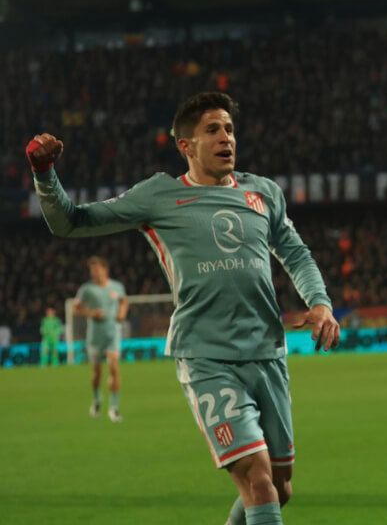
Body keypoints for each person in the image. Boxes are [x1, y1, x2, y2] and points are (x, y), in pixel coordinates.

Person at [26, 91, 340, 525]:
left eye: (229, 128)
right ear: (186, 146)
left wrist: (320, 303)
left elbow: (297, 253)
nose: (226, 137)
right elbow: (70, 221)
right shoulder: (160, 195)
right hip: (207, 356)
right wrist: (45, 173)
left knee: (279, 488)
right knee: (257, 480)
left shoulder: (262, 193)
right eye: (212, 129)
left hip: (268, 353)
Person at [73, 257, 127, 420]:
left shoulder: (116, 286)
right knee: (96, 373)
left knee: (114, 367)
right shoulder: (86, 289)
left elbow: (123, 301)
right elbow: (76, 308)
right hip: (96, 336)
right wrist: (91, 313)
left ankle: (114, 407)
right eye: (92, 270)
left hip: (113, 333)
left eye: (97, 269)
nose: (94, 273)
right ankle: (97, 399)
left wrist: (121, 314)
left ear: (105, 270)